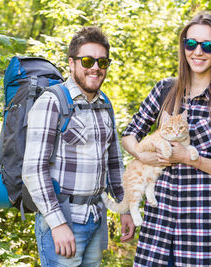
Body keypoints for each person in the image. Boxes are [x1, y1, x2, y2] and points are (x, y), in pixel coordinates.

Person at [121, 12, 211, 266]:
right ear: (183, 47)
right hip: (158, 225)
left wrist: (192, 159)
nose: (197, 52)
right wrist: (141, 155)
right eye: (191, 44)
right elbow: (129, 134)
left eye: (207, 46)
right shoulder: (165, 90)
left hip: (201, 228)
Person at [22, 26, 135, 267]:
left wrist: (124, 208)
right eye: (87, 60)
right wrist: (58, 223)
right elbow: (33, 169)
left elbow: (114, 163)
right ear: (72, 63)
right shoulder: (52, 101)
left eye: (102, 62)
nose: (95, 67)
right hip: (64, 221)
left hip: (96, 218)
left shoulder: (105, 104)